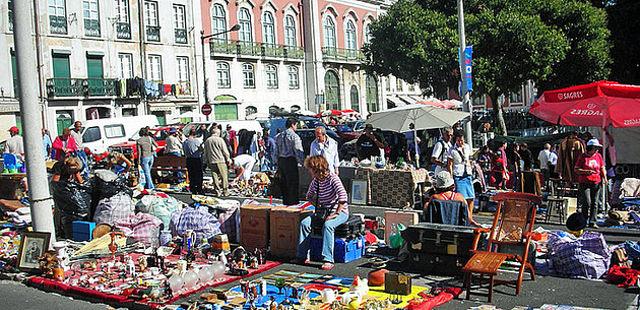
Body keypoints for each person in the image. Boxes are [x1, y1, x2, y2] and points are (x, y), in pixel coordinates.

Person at [297, 155, 349, 271]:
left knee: (328, 225)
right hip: (323, 212)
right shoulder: (316, 181)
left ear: (317, 169)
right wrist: (318, 205)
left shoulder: (333, 178)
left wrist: (336, 213)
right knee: (305, 223)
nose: (310, 172)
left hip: (340, 212)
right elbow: (309, 195)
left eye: (311, 169)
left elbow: (343, 196)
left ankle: (328, 259)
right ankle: (302, 255)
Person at [447, 132, 479, 226]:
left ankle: (470, 217)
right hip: (458, 174)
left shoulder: (467, 147)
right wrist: (451, 176)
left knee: (471, 196)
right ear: (456, 140)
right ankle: (463, 217)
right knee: (461, 198)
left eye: (462, 140)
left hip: (467, 173)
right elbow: (450, 164)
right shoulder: (451, 150)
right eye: (459, 140)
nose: (461, 142)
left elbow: (469, 158)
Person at [574, 138, 607, 228]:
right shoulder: (582, 156)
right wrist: (585, 171)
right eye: (595, 148)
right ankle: (584, 220)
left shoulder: (599, 156)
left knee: (595, 202)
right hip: (584, 182)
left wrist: (605, 178)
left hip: (596, 181)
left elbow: (602, 167)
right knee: (587, 202)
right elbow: (576, 169)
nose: (597, 150)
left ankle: (592, 221)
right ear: (590, 148)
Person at [275, 118, 304, 205]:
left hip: (281, 160)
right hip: (290, 161)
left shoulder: (279, 136)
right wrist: (302, 162)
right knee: (293, 183)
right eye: (296, 125)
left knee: (284, 184)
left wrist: (277, 163)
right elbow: (298, 150)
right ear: (293, 125)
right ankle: (293, 204)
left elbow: (276, 151)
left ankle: (286, 202)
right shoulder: (294, 136)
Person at [203, 127, 232, 196]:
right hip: (220, 160)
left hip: (211, 160)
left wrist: (206, 161)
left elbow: (205, 152)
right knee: (224, 176)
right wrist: (228, 159)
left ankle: (217, 191)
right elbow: (225, 151)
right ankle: (225, 191)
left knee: (214, 176)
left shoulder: (207, 140)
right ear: (217, 133)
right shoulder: (220, 140)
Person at [183, 129, 204, 195]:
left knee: (191, 174)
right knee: (198, 174)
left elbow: (184, 151)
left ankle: (193, 188)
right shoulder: (195, 141)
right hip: (196, 159)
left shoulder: (185, 142)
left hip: (188, 159)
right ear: (194, 134)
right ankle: (199, 188)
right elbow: (201, 149)